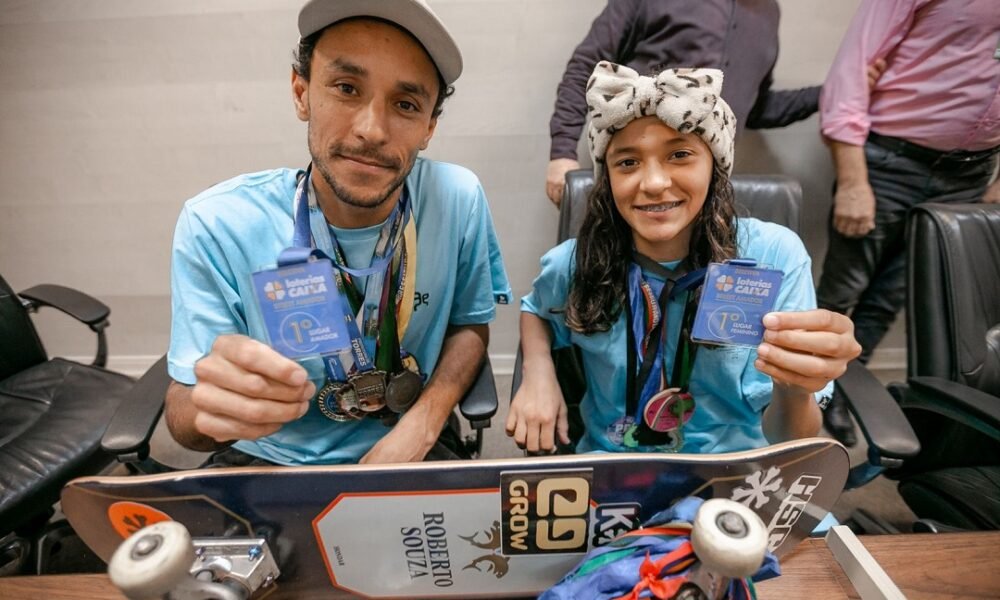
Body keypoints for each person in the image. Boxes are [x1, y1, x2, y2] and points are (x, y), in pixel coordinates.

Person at [164, 0, 511, 466]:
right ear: (302, 93)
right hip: (270, 460)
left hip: (409, 440)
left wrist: (425, 422)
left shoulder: (456, 198)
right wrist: (211, 410)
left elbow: (471, 325)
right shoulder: (218, 224)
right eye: (347, 88)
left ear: (429, 126)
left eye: (406, 104)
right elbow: (185, 413)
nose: (371, 130)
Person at [509, 61, 861, 455]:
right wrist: (538, 370)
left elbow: (791, 443)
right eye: (627, 162)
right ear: (607, 178)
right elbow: (536, 309)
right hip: (614, 477)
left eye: (679, 154)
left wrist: (796, 392)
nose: (655, 183)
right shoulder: (576, 262)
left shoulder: (773, 257)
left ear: (716, 166)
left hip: (739, 475)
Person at [816, 0, 1000, 446]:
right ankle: (807, 395)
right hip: (889, 163)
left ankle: (842, 394)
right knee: (841, 293)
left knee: (889, 300)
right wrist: (854, 180)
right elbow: (852, 70)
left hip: (970, 176)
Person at [545, 0, 823, 205]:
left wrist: (833, 92)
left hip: (708, 183)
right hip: (637, 165)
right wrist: (562, 152)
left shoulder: (769, 12)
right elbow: (587, 66)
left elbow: (757, 108)